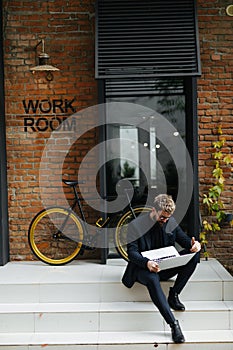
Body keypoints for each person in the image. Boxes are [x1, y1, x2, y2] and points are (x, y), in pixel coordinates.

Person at [122, 194, 201, 343]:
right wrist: (146, 263)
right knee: (152, 279)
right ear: (153, 210)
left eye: (167, 218)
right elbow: (131, 253)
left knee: (195, 256)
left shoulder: (170, 222)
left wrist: (195, 245)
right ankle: (173, 324)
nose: (165, 221)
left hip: (164, 266)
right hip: (143, 268)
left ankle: (174, 294)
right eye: (162, 217)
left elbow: (185, 241)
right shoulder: (135, 225)